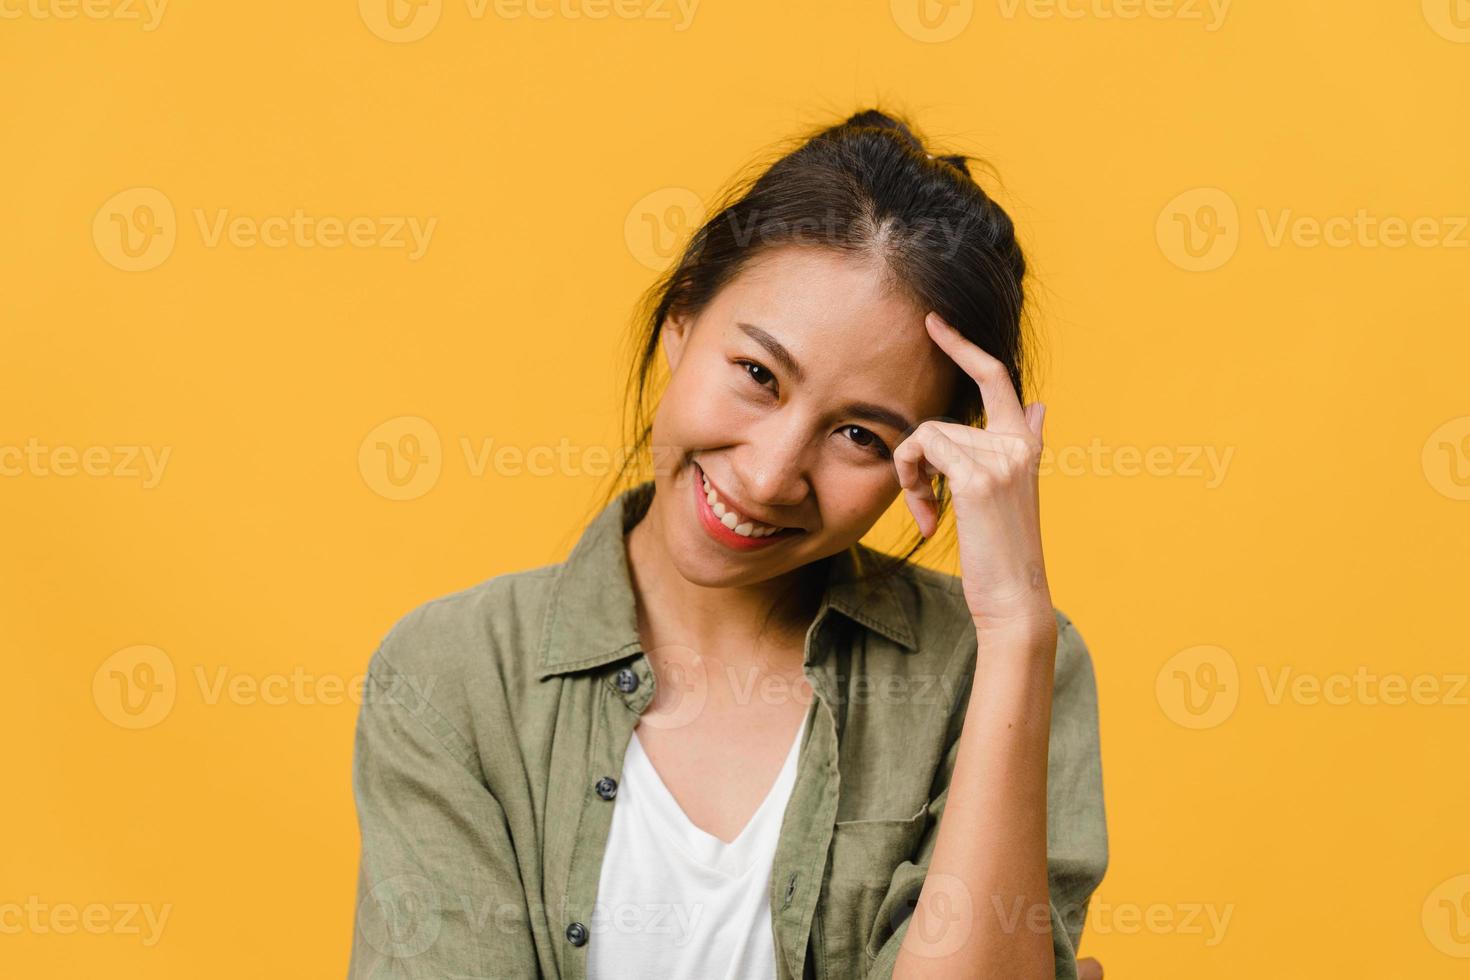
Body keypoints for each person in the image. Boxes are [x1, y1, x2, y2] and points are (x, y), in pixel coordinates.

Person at [347, 107, 1108, 980]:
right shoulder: (454, 676)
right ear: (681, 322)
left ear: (928, 461)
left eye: (860, 435)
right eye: (757, 375)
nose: (771, 475)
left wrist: (1014, 623)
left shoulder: (993, 670)